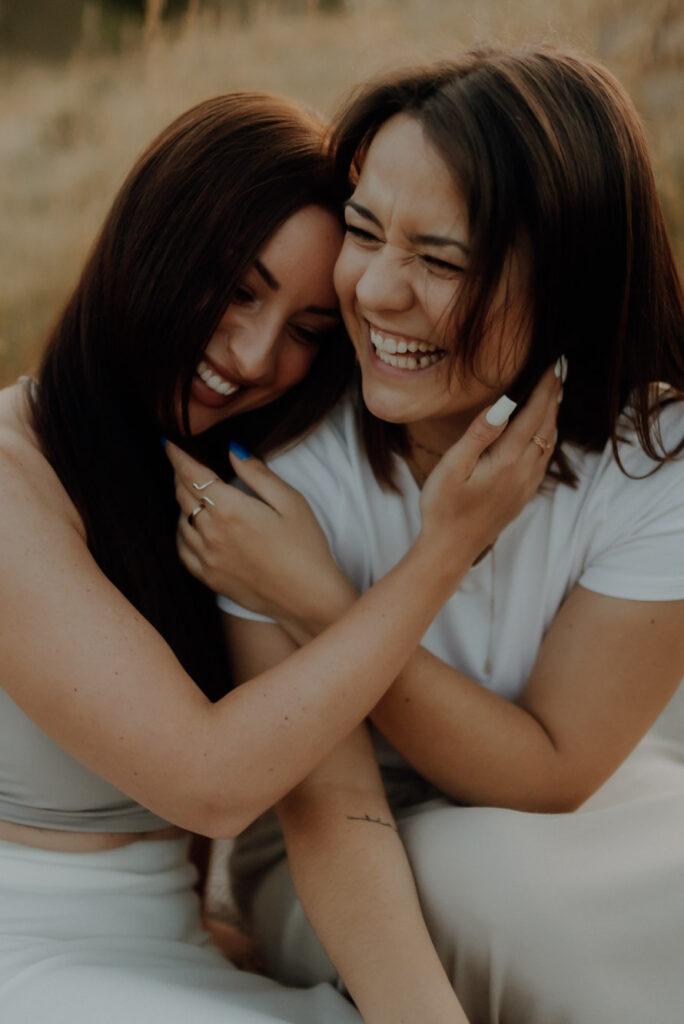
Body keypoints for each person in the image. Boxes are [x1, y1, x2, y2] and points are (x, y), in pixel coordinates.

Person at [0, 88, 556, 1024]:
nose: (256, 358)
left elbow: (308, 769)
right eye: (239, 289)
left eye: (307, 331)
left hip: (169, 938)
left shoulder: (229, 489)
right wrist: (444, 550)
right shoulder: (11, 477)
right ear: (150, 241)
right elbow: (209, 783)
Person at [172, 47, 684, 1024]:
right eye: (364, 233)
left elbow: (555, 775)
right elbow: (323, 796)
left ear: (569, 274)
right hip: (351, 845)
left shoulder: (656, 464)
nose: (374, 292)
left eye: (441, 259)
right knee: (498, 896)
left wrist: (322, 601)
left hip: (582, 818)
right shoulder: (282, 464)